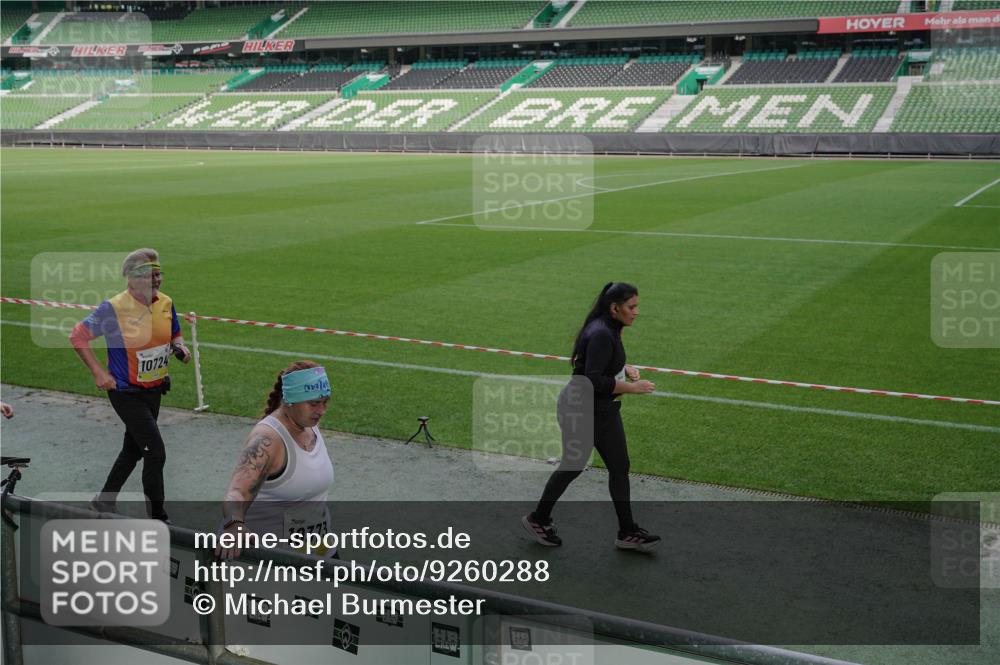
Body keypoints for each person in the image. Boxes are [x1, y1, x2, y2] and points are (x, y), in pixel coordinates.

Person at [523, 282, 661, 552]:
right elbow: (592, 379)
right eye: (632, 307)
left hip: (603, 410)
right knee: (573, 465)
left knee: (620, 466)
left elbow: (599, 364)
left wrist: (626, 368)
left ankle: (627, 531)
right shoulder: (601, 333)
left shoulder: (610, 328)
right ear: (614, 308)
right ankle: (538, 519)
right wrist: (632, 388)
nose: (636, 312)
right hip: (581, 408)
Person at [70, 248, 190, 522]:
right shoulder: (114, 308)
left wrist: (180, 348)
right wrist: (99, 372)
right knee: (155, 452)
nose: (157, 280)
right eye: (151, 275)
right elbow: (77, 336)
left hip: (155, 390)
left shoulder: (166, 303)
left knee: (133, 449)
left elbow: (175, 334)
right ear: (132, 279)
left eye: (159, 274)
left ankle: (103, 502)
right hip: (126, 392)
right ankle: (158, 518)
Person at [217, 361, 334, 560]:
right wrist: (233, 524)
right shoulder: (268, 439)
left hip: (320, 554)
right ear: (290, 400)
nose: (321, 410)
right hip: (274, 563)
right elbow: (238, 492)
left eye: (325, 402)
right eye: (314, 403)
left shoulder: (309, 424)